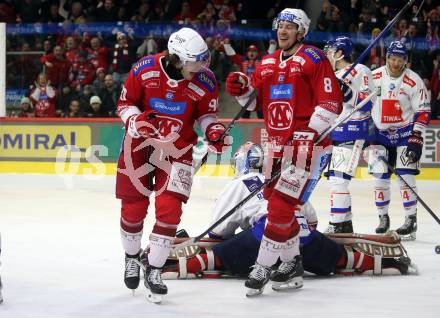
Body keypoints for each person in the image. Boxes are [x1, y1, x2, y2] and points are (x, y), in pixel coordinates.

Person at [162, 142, 416, 279]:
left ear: (239, 164)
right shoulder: (286, 178)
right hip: (305, 239)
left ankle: (172, 267)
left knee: (219, 255)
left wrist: (199, 243)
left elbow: (218, 234)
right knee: (340, 257)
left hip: (264, 238)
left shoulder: (239, 184)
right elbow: (312, 222)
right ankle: (386, 262)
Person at [225, 8, 343, 296]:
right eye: (280, 25)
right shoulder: (266, 63)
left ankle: (263, 265)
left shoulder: (313, 58)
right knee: (278, 206)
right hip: (276, 146)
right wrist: (242, 91)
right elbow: (256, 104)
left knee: (280, 207)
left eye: (291, 26)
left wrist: (310, 134)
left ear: (301, 32)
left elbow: (331, 104)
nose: (283, 31)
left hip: (307, 148)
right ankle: (292, 262)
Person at [116, 27, 230, 301]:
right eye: (196, 60)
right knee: (133, 209)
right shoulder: (144, 69)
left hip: (178, 151)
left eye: (204, 59)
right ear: (177, 58)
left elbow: (206, 115)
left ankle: (154, 268)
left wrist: (213, 130)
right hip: (139, 147)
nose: (202, 66)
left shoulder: (205, 79)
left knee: (169, 211)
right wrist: (135, 121)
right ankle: (132, 257)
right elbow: (125, 104)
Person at [369, 41, 431, 240]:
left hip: (405, 133)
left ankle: (410, 219)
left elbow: (423, 111)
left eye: (400, 59)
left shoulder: (414, 80)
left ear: (406, 60)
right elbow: (361, 104)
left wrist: (416, 137)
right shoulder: (374, 76)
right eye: (392, 58)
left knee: (406, 176)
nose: (395, 63)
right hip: (379, 134)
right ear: (386, 57)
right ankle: (383, 218)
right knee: (380, 178)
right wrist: (367, 130)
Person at [323, 36, 375, 233]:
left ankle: (337, 224)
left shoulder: (361, 70)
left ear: (340, 53)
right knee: (336, 179)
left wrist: (346, 91)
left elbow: (367, 104)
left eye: (330, 50)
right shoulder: (334, 75)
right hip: (336, 131)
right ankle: (344, 223)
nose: (326, 54)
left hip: (353, 130)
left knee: (339, 179)